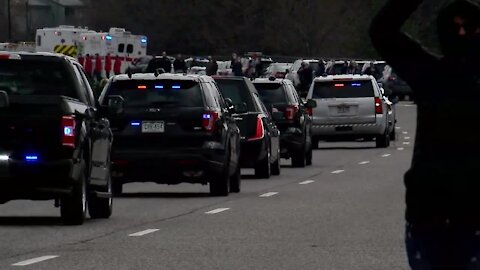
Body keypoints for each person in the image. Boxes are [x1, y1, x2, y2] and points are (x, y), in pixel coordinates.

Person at [370, 0, 480, 269]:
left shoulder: (430, 73)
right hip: (429, 215)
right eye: (455, 28)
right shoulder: (430, 73)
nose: (461, 35)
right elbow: (382, 31)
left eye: (470, 28)